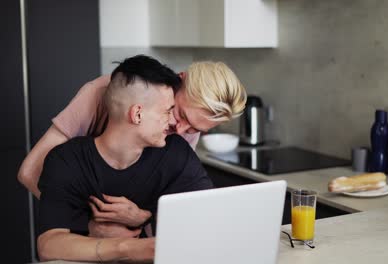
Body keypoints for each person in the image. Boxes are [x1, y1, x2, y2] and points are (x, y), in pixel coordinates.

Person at [37, 55, 213, 262]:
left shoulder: (177, 154)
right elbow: (49, 245)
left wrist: (145, 218)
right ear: (137, 114)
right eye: (167, 111)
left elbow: (206, 221)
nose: (173, 123)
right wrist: (126, 247)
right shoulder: (66, 160)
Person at [18, 57, 246, 199]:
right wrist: (86, 225)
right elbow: (30, 172)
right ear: (180, 79)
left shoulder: (185, 132)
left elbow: (170, 199)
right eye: (180, 113)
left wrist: (142, 217)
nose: (180, 130)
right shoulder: (101, 93)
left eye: (194, 129)